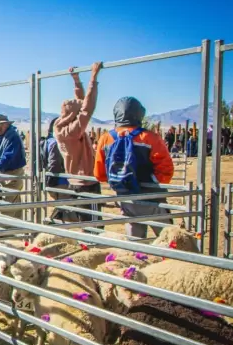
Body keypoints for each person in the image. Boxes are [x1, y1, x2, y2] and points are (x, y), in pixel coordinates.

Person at [94, 96, 174, 238]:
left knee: (135, 244)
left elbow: (99, 174)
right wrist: (150, 182)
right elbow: (166, 169)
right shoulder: (150, 138)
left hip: (126, 198)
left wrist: (121, 181)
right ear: (139, 114)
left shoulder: (106, 139)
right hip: (153, 198)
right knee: (169, 241)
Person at [53, 62, 103, 222]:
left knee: (84, 220)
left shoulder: (62, 127)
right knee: (93, 223)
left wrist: (76, 81)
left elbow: (81, 104)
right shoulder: (72, 132)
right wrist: (93, 78)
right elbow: (87, 108)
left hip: (77, 179)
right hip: (86, 182)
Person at [41, 118, 69, 222]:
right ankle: (50, 223)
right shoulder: (55, 143)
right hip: (59, 180)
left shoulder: (47, 141)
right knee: (63, 205)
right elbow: (54, 163)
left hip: (52, 179)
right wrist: (51, 178)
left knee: (62, 206)